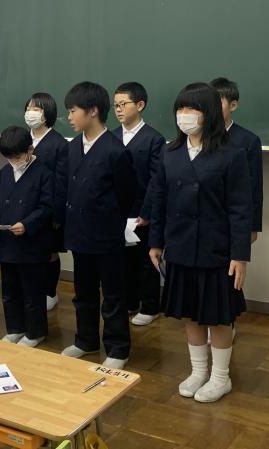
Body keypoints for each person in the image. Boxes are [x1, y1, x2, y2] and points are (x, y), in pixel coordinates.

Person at [149, 82, 251, 403]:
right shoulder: (170, 152)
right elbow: (159, 200)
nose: (184, 115)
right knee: (190, 313)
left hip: (216, 250)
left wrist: (239, 255)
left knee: (218, 316)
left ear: (208, 113)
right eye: (180, 108)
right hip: (180, 247)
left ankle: (220, 377)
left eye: (191, 109)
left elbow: (240, 209)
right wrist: (155, 242)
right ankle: (198, 371)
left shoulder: (231, 154)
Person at [60, 82, 138, 369]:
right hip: (79, 233)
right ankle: (86, 340)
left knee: (113, 294)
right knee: (83, 292)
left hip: (106, 235)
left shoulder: (115, 150)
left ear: (92, 111)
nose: (69, 117)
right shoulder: (72, 147)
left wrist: (110, 220)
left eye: (73, 110)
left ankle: (117, 348)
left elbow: (127, 194)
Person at [0, 126, 53, 347]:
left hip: (32, 244)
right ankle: (15, 328)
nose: (14, 161)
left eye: (18, 156)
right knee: (10, 290)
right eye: (9, 158)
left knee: (32, 292)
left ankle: (35, 332)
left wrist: (27, 224)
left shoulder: (44, 173)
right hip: (7, 244)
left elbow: (47, 207)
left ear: (30, 150)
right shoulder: (3, 173)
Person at [111, 82, 166, 326]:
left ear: (140, 105)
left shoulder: (154, 139)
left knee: (146, 261)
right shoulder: (111, 136)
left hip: (142, 213)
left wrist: (146, 213)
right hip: (117, 211)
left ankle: (150, 306)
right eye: (115, 105)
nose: (118, 110)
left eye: (123, 104)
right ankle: (130, 302)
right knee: (123, 261)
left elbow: (156, 180)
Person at [23, 92, 68, 312]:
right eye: (28, 108)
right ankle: (32, 291)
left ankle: (50, 292)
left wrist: (56, 215)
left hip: (48, 208)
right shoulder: (22, 139)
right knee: (29, 252)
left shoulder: (58, 143)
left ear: (47, 112)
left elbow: (61, 182)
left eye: (37, 109)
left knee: (49, 252)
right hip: (25, 206)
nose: (31, 113)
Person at [210, 77, 263, 244]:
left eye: (217, 103)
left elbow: (254, 188)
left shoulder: (248, 141)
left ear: (232, 106)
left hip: (232, 220)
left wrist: (253, 227)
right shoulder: (197, 137)